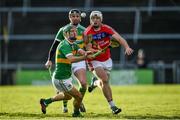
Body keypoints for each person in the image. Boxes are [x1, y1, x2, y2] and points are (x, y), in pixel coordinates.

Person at [84, 11, 134, 114]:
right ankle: (113, 106)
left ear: (101, 19)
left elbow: (119, 38)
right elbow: (88, 48)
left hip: (106, 59)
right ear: (90, 20)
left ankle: (95, 82)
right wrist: (96, 51)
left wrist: (127, 47)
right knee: (105, 80)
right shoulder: (88, 32)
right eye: (93, 18)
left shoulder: (107, 28)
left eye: (97, 18)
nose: (95, 20)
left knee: (103, 83)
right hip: (94, 60)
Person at [40, 25, 93, 117]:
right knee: (79, 96)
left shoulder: (73, 44)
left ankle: (45, 102)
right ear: (65, 34)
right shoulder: (65, 45)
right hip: (61, 78)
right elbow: (72, 59)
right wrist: (85, 57)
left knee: (68, 96)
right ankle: (76, 113)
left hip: (65, 77)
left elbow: (81, 51)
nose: (75, 33)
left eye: (76, 31)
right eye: (72, 31)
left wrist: (88, 53)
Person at [45, 9, 87, 113]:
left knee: (83, 83)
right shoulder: (63, 30)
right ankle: (66, 106)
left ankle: (78, 101)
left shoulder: (85, 30)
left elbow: (87, 46)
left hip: (78, 60)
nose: (75, 18)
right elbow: (55, 45)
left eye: (77, 16)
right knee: (65, 81)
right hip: (67, 59)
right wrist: (49, 59)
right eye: (73, 16)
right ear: (69, 17)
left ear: (80, 18)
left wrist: (88, 55)